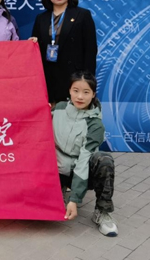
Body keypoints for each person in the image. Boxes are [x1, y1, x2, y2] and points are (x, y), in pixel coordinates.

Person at [53, 71, 117, 237]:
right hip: (56, 169)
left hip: (82, 173)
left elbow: (83, 160)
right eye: (76, 90)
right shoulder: (58, 109)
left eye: (86, 92)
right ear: (69, 90)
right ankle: (56, 191)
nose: (80, 96)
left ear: (93, 94)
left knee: (104, 160)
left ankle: (102, 212)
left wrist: (74, 199)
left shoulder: (95, 125)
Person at [31, 0, 97, 106]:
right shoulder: (41, 18)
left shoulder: (82, 15)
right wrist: (31, 43)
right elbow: (36, 51)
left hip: (74, 79)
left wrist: (86, 81)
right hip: (48, 79)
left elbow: (90, 50)